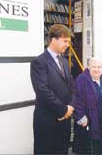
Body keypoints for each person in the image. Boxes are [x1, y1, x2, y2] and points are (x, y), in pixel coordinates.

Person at [30, 24, 75, 154]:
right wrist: (63, 110)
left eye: (69, 42)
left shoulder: (64, 61)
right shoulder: (39, 62)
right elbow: (42, 91)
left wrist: (71, 106)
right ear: (53, 40)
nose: (68, 45)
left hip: (64, 120)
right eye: (65, 41)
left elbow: (72, 86)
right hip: (47, 121)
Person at [74, 57, 102, 155]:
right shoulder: (81, 79)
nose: (96, 69)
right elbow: (76, 100)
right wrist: (81, 117)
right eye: (93, 67)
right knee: (89, 150)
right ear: (88, 67)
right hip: (89, 124)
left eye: (99, 67)